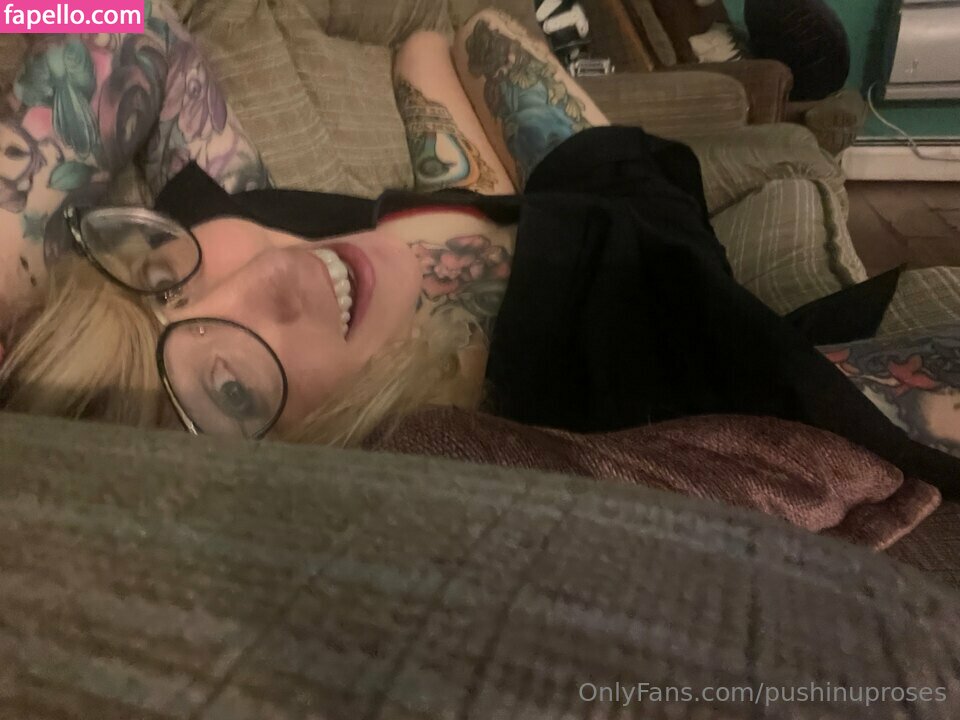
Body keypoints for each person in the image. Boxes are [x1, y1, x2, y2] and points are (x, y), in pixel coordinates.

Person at [0, 4, 957, 491]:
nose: (271, 273)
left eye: (159, 277)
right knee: (471, 33)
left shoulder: (225, 220)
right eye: (233, 389)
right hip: (620, 210)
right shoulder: (623, 392)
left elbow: (130, 20)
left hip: (465, 201)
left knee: (437, 38)